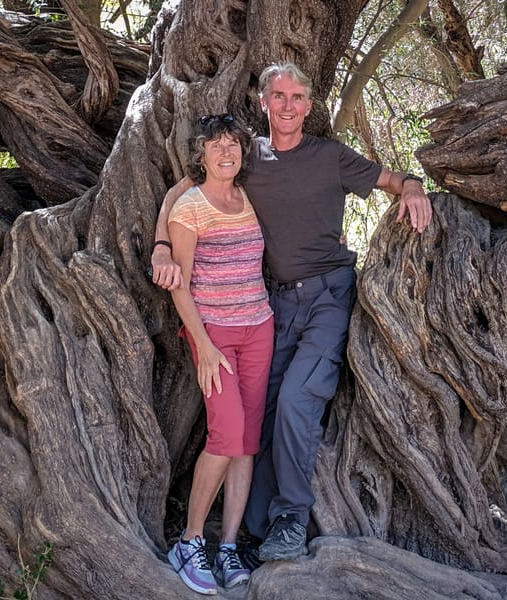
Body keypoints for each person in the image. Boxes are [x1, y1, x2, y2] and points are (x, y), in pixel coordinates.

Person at [155, 63, 432, 564]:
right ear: (263, 103)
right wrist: (159, 248)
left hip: (328, 296)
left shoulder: (330, 156)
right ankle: (248, 531)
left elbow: (392, 179)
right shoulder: (248, 156)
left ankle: (290, 517)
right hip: (274, 303)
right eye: (277, 96)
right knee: (256, 415)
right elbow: (181, 192)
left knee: (297, 401)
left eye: (297, 97)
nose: (287, 105)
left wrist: (412, 185)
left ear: (309, 105)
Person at [165, 113, 274, 595]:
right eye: (216, 145)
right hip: (214, 334)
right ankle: (189, 541)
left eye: (233, 144)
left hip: (259, 329)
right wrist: (203, 346)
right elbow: (179, 286)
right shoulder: (190, 206)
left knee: (247, 442)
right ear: (201, 154)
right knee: (226, 434)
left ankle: (227, 545)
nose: (226, 152)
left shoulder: (250, 197)